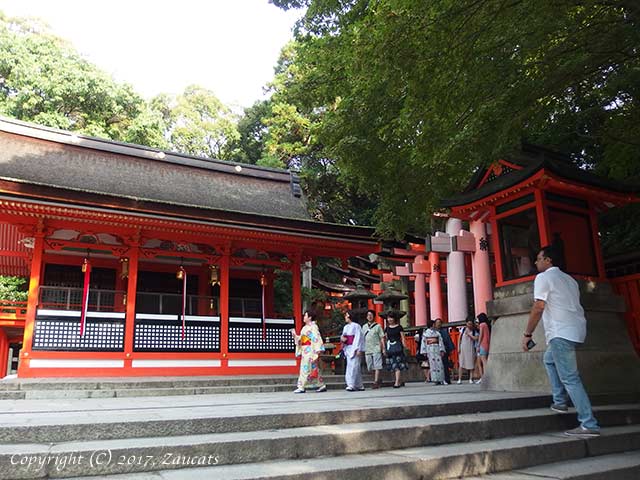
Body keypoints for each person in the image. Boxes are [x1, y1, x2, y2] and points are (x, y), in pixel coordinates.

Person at [522, 245, 600, 437]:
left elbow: (539, 306)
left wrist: (527, 334)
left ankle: (588, 423)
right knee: (549, 360)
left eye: (539, 258)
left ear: (548, 260)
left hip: (560, 332)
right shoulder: (570, 280)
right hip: (576, 330)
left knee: (570, 378)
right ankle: (559, 401)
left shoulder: (543, 277)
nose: (536, 262)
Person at [291, 310, 327, 393]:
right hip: (305, 349)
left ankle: (301, 386)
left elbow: (316, 338)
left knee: (305, 368)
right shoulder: (305, 327)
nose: (304, 317)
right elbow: (301, 339)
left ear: (310, 317)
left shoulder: (313, 327)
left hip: (311, 350)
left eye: (305, 316)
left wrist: (317, 350)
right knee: (313, 368)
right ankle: (321, 385)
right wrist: (296, 336)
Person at [341, 310, 365, 391]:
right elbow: (344, 336)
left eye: (347, 315)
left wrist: (358, 348)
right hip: (348, 347)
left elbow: (359, 338)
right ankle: (359, 384)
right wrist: (343, 339)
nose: (345, 317)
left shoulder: (356, 326)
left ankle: (351, 384)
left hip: (354, 348)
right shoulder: (346, 327)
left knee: (354, 366)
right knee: (351, 366)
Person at [361, 309, 385, 388]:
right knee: (370, 367)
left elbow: (382, 337)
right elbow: (361, 338)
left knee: (377, 365)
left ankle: (376, 382)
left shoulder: (378, 326)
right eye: (368, 315)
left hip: (376, 348)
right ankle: (378, 378)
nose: (370, 316)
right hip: (367, 349)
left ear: (374, 316)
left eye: (371, 315)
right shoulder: (364, 327)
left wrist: (383, 348)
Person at [383, 311, 408, 388]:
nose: (390, 319)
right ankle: (399, 380)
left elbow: (403, 337)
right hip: (390, 347)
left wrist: (405, 346)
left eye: (391, 318)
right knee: (393, 365)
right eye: (388, 318)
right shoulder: (386, 328)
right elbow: (385, 339)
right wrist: (384, 348)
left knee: (397, 365)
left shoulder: (399, 327)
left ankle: (397, 382)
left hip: (398, 347)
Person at [420, 319, 447, 384]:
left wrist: (442, 349)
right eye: (434, 324)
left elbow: (440, 342)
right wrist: (424, 351)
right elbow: (424, 342)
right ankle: (435, 379)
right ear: (432, 325)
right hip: (430, 349)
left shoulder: (437, 333)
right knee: (432, 365)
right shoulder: (426, 333)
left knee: (440, 364)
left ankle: (442, 379)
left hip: (437, 348)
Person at [457, 319, 478, 384]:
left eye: (471, 324)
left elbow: (476, 338)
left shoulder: (474, 331)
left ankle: (471, 378)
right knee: (461, 363)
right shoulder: (463, 329)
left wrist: (469, 334)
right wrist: (458, 347)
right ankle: (459, 378)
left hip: (470, 347)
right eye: (468, 324)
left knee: (471, 362)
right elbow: (459, 339)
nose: (469, 325)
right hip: (463, 347)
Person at [435, 318, 455, 384]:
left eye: (439, 323)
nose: (438, 324)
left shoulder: (444, 331)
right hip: (435, 350)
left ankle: (447, 379)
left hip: (444, 350)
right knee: (437, 366)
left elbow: (448, 340)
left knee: (445, 365)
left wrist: (450, 349)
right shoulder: (433, 332)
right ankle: (438, 379)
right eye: (437, 323)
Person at [475, 313, 491, 384]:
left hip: (482, 344)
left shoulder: (482, 325)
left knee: (483, 361)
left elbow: (481, 335)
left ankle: (486, 376)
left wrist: (478, 345)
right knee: (485, 360)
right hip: (487, 344)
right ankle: (487, 376)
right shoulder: (487, 325)